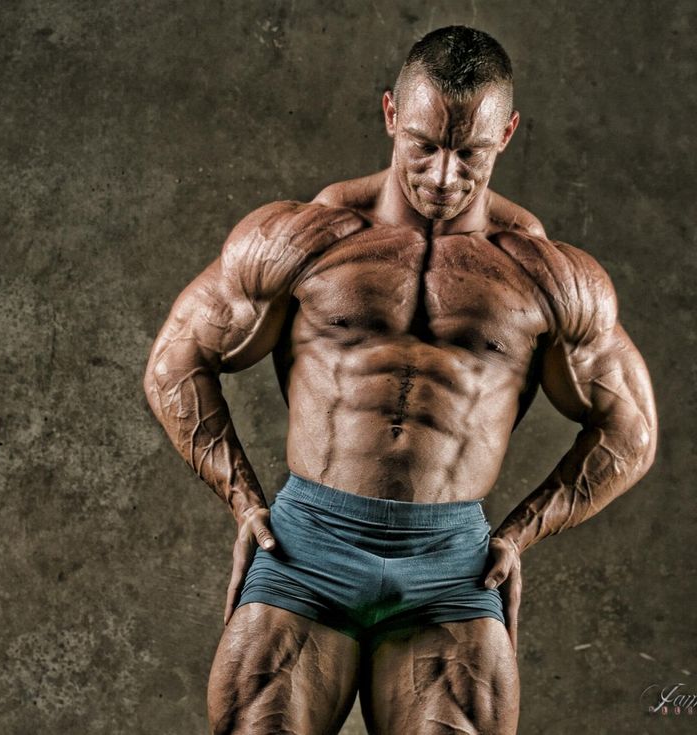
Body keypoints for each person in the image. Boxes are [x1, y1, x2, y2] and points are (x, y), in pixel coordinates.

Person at [143, 25, 657, 735]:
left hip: (451, 568)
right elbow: (175, 361)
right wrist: (243, 502)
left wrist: (519, 534)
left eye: (470, 152)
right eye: (424, 145)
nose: (444, 176)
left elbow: (631, 429)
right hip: (307, 547)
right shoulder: (305, 237)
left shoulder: (546, 275)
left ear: (507, 133)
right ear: (391, 114)